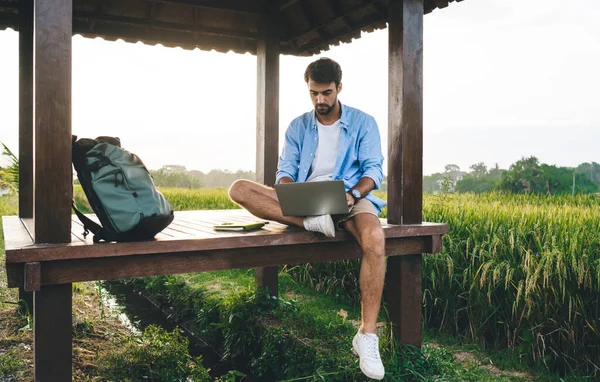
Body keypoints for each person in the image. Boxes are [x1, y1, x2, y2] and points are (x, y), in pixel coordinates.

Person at [228, 57, 386, 380]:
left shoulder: (363, 123)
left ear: (339, 88)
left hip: (350, 199)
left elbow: (374, 171)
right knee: (239, 189)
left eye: (326, 93)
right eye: (314, 93)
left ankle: (367, 337)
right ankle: (310, 221)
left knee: (375, 238)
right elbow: (284, 173)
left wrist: (353, 194)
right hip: (307, 205)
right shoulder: (297, 127)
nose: (320, 100)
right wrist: (293, 196)